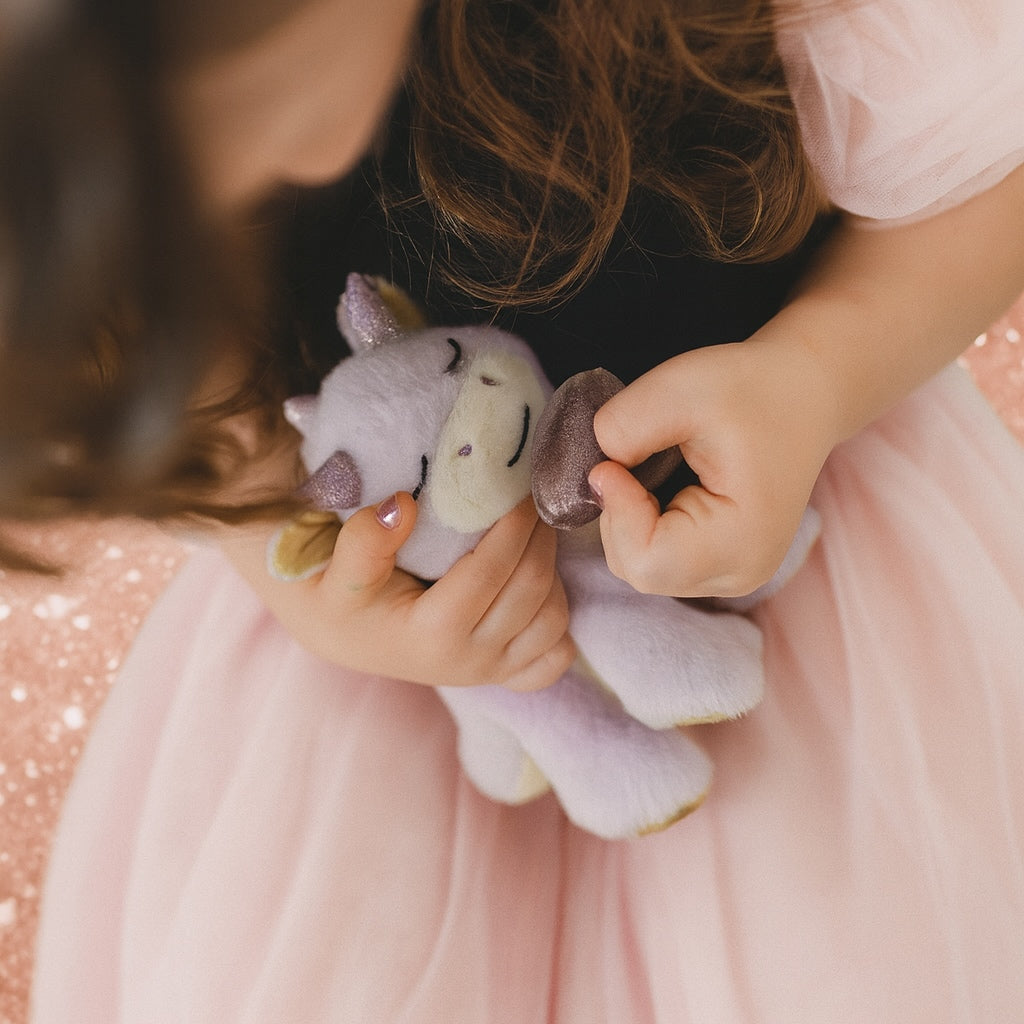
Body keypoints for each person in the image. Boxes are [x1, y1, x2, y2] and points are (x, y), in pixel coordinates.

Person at [3, 0, 1022, 1019]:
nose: (285, 169)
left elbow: (989, 163)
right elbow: (141, 330)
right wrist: (279, 545)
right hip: (375, 672)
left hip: (814, 532)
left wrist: (818, 373)